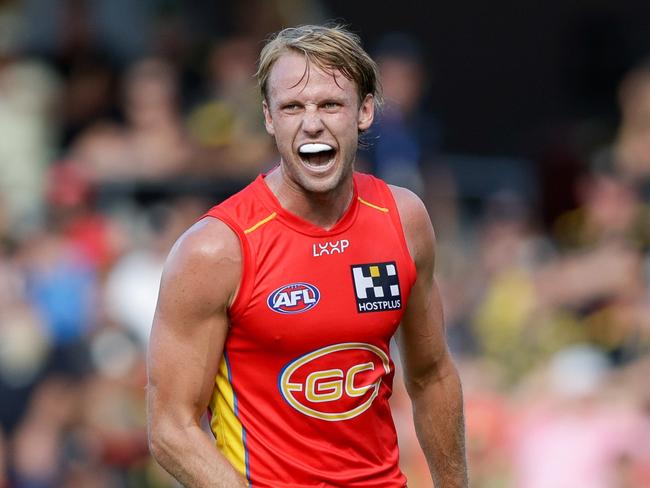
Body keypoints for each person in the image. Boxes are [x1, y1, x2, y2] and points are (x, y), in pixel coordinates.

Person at [147, 25, 467, 487]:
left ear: (365, 111)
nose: (311, 123)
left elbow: (433, 376)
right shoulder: (217, 249)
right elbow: (171, 427)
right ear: (269, 118)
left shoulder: (403, 220)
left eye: (330, 104)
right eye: (292, 107)